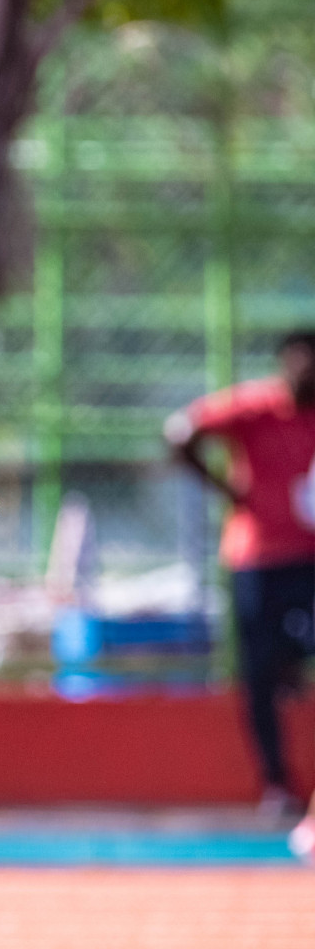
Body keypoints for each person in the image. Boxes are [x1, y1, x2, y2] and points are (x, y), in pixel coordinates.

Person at [167, 330, 315, 820]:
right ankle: (276, 782)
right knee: (258, 672)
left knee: (294, 647)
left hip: (310, 555)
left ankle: (291, 660)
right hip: (258, 558)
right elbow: (181, 432)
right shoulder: (254, 407)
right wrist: (227, 490)